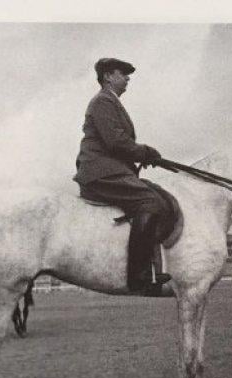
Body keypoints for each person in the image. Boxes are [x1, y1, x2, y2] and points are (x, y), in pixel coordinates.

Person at [73, 57, 172, 293]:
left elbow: (118, 144)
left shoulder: (110, 102)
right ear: (108, 76)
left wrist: (142, 156)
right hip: (100, 172)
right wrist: (145, 152)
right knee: (150, 201)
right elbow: (116, 142)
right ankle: (139, 277)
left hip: (109, 170)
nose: (128, 78)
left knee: (154, 193)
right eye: (122, 73)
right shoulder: (103, 102)